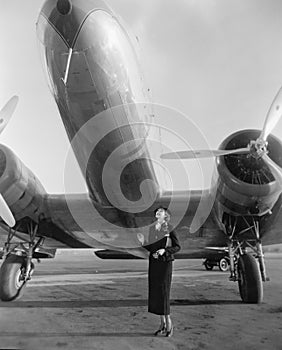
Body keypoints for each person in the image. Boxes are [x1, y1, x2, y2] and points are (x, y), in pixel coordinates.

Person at [143, 207, 181, 337]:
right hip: (154, 263)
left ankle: (169, 324)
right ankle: (162, 324)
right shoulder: (152, 229)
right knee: (156, 293)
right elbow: (151, 246)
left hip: (165, 263)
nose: (158, 212)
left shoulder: (170, 228)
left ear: (166, 215)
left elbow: (177, 247)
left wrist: (165, 251)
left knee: (164, 292)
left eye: (161, 211)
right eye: (157, 211)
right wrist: (142, 242)